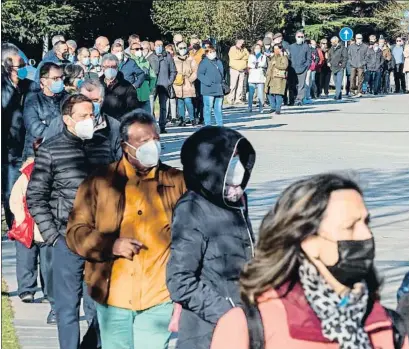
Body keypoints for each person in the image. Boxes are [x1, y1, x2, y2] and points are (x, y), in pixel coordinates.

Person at [211, 173, 409, 349]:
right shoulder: (250, 326)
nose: (366, 235)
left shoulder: (388, 325)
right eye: (350, 226)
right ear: (307, 241)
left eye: (366, 223)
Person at [65, 109, 186, 349]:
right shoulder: (100, 182)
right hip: (114, 297)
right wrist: (110, 244)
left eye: (156, 139)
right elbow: (75, 233)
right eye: (143, 142)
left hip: (159, 297)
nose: (152, 146)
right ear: (125, 146)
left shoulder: (178, 182)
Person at [27, 94, 120, 349]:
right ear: (67, 119)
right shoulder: (51, 149)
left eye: (92, 115)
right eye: (83, 116)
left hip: (101, 239)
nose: (90, 120)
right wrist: (54, 237)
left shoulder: (104, 146)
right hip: (65, 239)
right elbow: (35, 197)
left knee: (102, 307)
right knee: (67, 309)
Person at [167, 126, 256, 349]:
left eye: (238, 158)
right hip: (208, 330)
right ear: (210, 164)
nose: (237, 166)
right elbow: (180, 280)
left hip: (243, 323)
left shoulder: (234, 200)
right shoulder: (192, 209)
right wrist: (226, 312)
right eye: (231, 159)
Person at [8, 139, 55, 323]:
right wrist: (20, 218)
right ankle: (26, 289)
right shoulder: (26, 174)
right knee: (25, 259)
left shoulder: (54, 172)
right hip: (26, 225)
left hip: (45, 228)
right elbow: (15, 198)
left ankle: (48, 291)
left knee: (48, 264)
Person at [44, 79, 122, 164]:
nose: (90, 105)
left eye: (95, 100)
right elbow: (45, 156)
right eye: (85, 100)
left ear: (102, 101)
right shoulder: (59, 123)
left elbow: (120, 161)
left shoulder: (113, 126)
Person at [1, 44, 33, 229]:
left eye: (23, 64)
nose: (23, 69)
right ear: (6, 67)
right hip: (8, 151)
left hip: (28, 147)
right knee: (10, 190)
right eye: (19, 65)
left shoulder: (29, 86)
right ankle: (15, 228)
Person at [23, 62, 67, 161]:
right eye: (55, 78)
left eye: (61, 77)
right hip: (36, 153)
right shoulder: (33, 100)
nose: (60, 81)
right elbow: (35, 127)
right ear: (44, 80)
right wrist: (60, 135)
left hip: (61, 153)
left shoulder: (67, 98)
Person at [100, 53, 139, 121]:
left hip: (119, 123)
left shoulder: (128, 87)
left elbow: (132, 109)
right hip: (101, 125)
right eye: (107, 67)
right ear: (102, 67)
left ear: (118, 67)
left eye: (113, 67)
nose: (110, 69)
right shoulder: (97, 85)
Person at [197, 46, 225, 126]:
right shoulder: (204, 62)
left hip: (219, 88)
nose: (213, 53)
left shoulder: (218, 61)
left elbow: (223, 73)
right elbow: (200, 74)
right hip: (208, 89)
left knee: (218, 108)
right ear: (206, 53)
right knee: (208, 108)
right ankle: (208, 125)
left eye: (213, 51)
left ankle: (220, 125)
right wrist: (208, 82)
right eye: (210, 52)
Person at [153, 40, 177, 133]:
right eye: (157, 45)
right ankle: (153, 126)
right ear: (154, 46)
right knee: (151, 107)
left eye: (160, 45)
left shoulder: (167, 56)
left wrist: (169, 81)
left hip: (164, 84)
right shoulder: (151, 56)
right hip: (153, 85)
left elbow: (173, 71)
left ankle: (162, 125)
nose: (159, 47)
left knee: (163, 106)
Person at [173, 42, 198, 126]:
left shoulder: (191, 59)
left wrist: (191, 79)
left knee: (188, 101)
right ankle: (182, 119)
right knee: (180, 103)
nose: (182, 50)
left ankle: (192, 118)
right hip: (178, 83)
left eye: (184, 48)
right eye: (180, 48)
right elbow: (172, 71)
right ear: (177, 49)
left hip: (188, 83)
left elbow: (196, 71)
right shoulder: (174, 59)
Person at [129, 42, 157, 113]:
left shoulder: (146, 62)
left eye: (141, 48)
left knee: (147, 119)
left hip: (145, 95)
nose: (140, 51)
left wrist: (149, 89)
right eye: (137, 49)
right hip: (132, 96)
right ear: (131, 51)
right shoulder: (128, 63)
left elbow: (153, 77)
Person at [265, 43, 289, 115]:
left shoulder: (284, 57)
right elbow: (269, 66)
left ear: (280, 49)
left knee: (278, 94)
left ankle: (278, 109)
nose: (275, 50)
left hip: (279, 78)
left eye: (277, 49)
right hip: (271, 77)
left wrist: (276, 64)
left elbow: (284, 66)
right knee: (269, 93)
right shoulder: (272, 57)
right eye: (274, 49)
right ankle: (273, 107)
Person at [289, 31, 311, 106]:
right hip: (293, 69)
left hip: (303, 69)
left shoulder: (306, 46)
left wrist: (306, 66)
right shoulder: (291, 47)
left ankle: (299, 99)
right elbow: (289, 57)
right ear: (295, 37)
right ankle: (292, 100)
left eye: (302, 37)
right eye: (299, 37)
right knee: (293, 85)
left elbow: (309, 58)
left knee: (301, 85)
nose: (300, 38)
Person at [227, 39, 249, 105]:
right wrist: (243, 55)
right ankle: (231, 99)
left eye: (243, 43)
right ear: (237, 42)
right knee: (233, 85)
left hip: (242, 69)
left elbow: (248, 56)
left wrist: (242, 56)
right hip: (234, 69)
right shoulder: (232, 48)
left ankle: (238, 99)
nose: (242, 44)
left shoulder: (244, 49)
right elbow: (236, 56)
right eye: (240, 43)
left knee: (240, 85)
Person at [189, 37, 205, 123]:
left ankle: (202, 117)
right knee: (193, 98)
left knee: (200, 97)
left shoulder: (203, 52)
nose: (195, 44)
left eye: (196, 43)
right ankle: (194, 115)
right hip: (191, 77)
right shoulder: (190, 52)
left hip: (200, 77)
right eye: (193, 43)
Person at [247, 43, 267, 113]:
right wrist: (256, 65)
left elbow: (263, 64)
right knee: (251, 94)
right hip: (252, 77)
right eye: (256, 48)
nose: (257, 50)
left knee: (260, 94)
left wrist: (255, 64)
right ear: (253, 49)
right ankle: (249, 107)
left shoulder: (263, 56)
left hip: (260, 77)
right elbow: (249, 64)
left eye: (259, 48)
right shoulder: (251, 56)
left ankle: (261, 107)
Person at [141, 41, 160, 114]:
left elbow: (154, 72)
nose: (141, 50)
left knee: (150, 106)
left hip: (150, 85)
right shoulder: (146, 57)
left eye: (142, 48)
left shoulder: (152, 58)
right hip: (146, 86)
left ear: (147, 49)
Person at [328, 36, 348, 100]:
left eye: (332, 42)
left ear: (336, 41)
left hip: (340, 68)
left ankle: (336, 96)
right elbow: (329, 56)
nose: (331, 43)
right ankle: (339, 95)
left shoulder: (342, 48)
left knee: (339, 82)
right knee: (336, 82)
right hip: (333, 68)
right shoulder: (331, 48)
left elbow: (345, 58)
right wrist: (328, 62)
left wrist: (343, 66)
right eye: (331, 42)